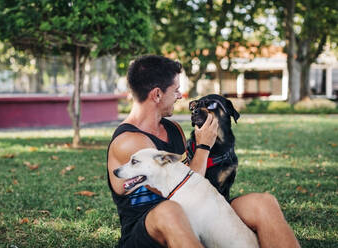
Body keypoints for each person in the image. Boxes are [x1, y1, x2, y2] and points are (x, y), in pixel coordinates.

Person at [107, 55, 300, 248]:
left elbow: (193, 184)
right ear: (157, 94)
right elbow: (187, 186)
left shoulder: (173, 129)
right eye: (176, 90)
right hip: (150, 227)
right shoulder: (129, 141)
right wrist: (204, 146)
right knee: (170, 210)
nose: (180, 95)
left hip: (195, 211)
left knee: (263, 204)